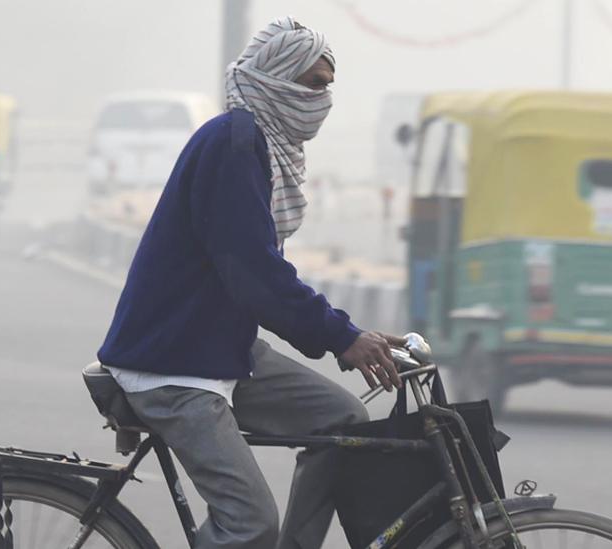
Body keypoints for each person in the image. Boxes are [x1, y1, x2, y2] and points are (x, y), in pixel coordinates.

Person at [98, 17, 404, 549]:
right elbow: (254, 272)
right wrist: (342, 336)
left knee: (345, 422)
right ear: (275, 78)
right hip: (173, 364)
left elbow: (255, 270)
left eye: (329, 85)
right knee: (250, 523)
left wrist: (344, 333)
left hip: (220, 349)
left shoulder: (265, 144)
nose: (322, 97)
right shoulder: (235, 141)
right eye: (312, 83)